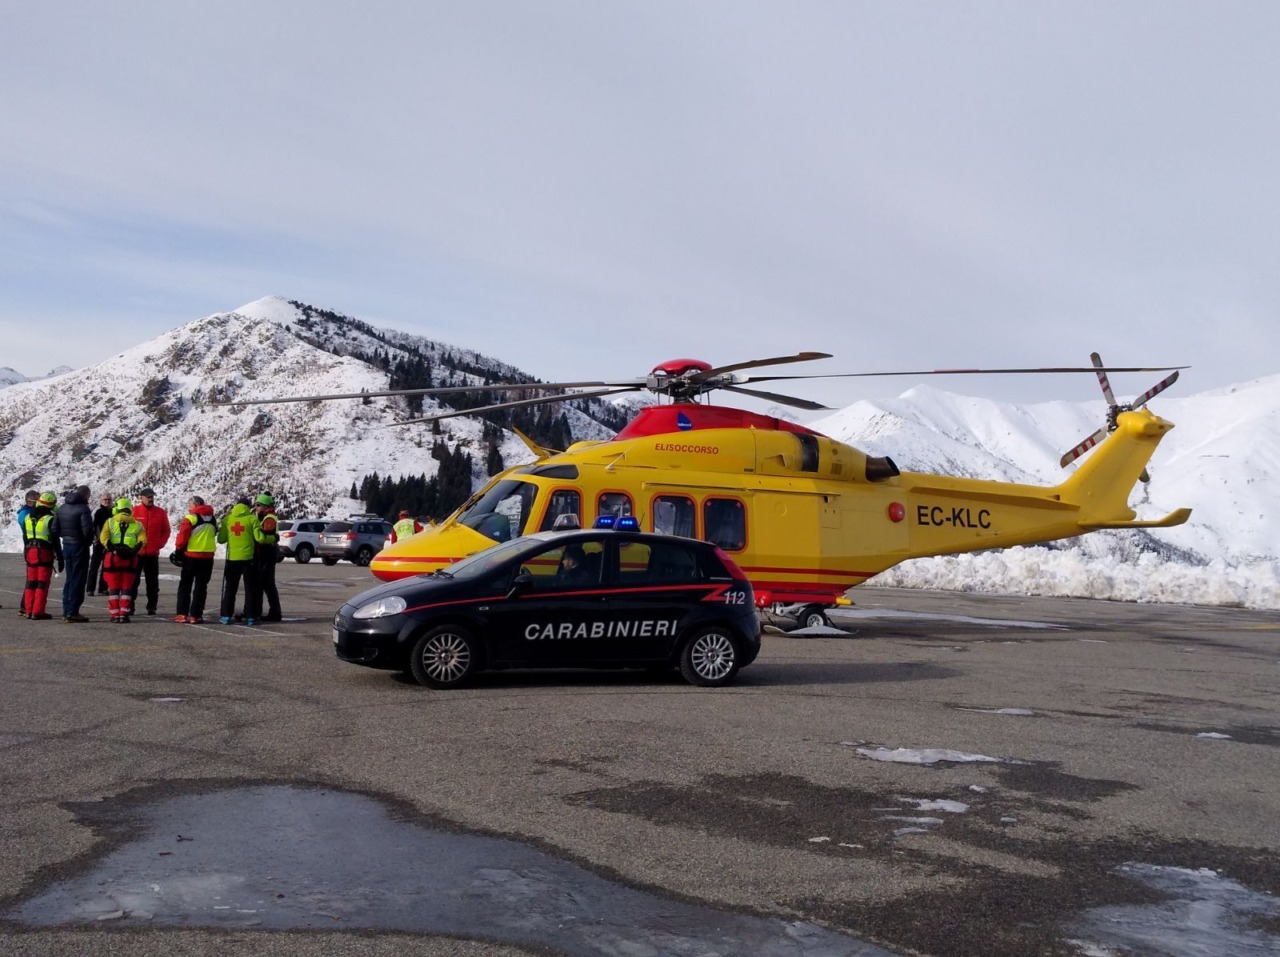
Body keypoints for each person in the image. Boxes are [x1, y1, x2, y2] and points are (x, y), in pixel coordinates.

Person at [172, 496, 217, 624]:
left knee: (185, 585)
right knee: (201, 587)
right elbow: (214, 533)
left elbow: (182, 537)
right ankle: (196, 615)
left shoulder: (191, 518)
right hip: (207, 557)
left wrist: (178, 550)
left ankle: (182, 614)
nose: (189, 508)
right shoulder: (212, 518)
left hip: (191, 556)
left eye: (190, 505)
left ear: (195, 505)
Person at [53, 485, 94, 622]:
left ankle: (67, 610)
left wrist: (65, 536)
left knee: (70, 578)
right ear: (86, 495)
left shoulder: (62, 508)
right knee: (79, 578)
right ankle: (72, 611)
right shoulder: (83, 509)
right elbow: (88, 530)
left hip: (67, 545)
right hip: (79, 545)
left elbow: (55, 529)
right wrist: (87, 542)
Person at [101, 498, 146, 623]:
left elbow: (103, 537)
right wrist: (133, 551)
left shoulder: (110, 522)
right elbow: (142, 541)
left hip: (113, 559)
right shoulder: (138, 524)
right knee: (127, 588)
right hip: (129, 560)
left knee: (113, 588)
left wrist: (111, 548)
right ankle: (124, 614)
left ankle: (114, 614)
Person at [21, 492, 63, 620]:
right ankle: (38, 611)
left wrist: (26, 552)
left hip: (30, 552)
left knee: (30, 583)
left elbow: (25, 537)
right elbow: (55, 540)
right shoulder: (50, 519)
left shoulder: (27, 517)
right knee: (42, 583)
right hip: (44, 553)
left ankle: (28, 610)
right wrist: (60, 557)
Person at [217, 497, 258, 625]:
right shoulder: (252, 519)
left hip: (232, 559)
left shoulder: (228, 519)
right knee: (250, 589)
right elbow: (259, 538)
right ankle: (250, 616)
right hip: (248, 558)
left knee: (230, 588)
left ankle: (226, 615)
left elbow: (221, 539)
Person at [131, 488, 171, 616]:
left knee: (152, 583)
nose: (150, 499)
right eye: (148, 497)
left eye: (151, 497)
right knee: (133, 581)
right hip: (137, 553)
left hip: (152, 554)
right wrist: (132, 546)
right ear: (141, 497)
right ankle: (130, 606)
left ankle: (152, 606)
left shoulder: (160, 512)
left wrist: (160, 544)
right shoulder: (134, 511)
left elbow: (166, 530)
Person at [245, 493, 282, 624]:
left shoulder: (269, 519)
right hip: (263, 553)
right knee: (261, 584)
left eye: (258, 505)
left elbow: (264, 537)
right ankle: (256, 611)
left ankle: (274, 613)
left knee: (267, 584)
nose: (256, 507)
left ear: (266, 506)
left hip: (267, 554)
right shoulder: (262, 516)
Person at [87, 493, 114, 596]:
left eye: (109, 499)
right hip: (98, 542)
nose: (107, 501)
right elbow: (92, 526)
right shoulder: (97, 511)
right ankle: (90, 588)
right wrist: (95, 539)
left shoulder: (113, 511)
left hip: (108, 543)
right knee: (94, 566)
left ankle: (103, 588)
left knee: (106, 567)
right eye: (105, 499)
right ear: (101, 500)